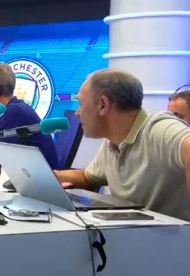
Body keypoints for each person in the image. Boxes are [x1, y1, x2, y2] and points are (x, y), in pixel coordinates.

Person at [56, 69, 190, 221]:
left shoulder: (158, 128)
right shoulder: (112, 141)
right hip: (131, 232)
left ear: (103, 105)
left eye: (81, 104)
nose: (77, 113)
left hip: (165, 235)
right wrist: (46, 176)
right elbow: (88, 178)